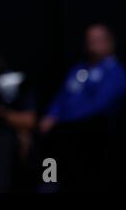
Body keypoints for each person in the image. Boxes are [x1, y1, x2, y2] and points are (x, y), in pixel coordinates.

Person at [39, 24, 126, 192]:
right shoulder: (79, 69)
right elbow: (61, 97)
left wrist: (64, 121)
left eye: (98, 40)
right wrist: (51, 115)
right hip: (64, 131)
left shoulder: (115, 72)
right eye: (90, 40)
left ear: (110, 43)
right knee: (45, 140)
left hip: (92, 135)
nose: (93, 44)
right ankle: (49, 181)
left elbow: (100, 105)